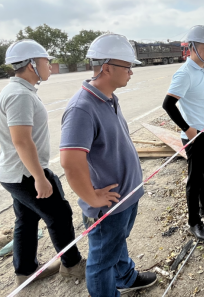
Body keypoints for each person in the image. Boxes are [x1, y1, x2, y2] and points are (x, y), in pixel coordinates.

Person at [60, 34, 156, 297]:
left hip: (124, 198)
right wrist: (91, 197)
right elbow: (70, 161)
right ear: (106, 67)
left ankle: (125, 277)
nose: (131, 73)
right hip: (107, 206)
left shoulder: (109, 97)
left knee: (116, 244)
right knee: (101, 263)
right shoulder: (82, 108)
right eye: (127, 67)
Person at [0, 40, 85, 287]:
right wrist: (40, 178)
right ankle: (72, 265)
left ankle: (26, 271)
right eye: (46, 61)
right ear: (32, 64)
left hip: (15, 172)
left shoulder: (20, 90)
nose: (50, 66)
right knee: (60, 214)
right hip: (25, 174)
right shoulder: (19, 95)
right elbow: (22, 141)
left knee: (26, 218)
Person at [162, 25, 204, 243]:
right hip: (196, 135)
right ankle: (194, 222)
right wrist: (188, 130)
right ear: (191, 48)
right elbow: (168, 105)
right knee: (195, 179)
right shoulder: (184, 73)